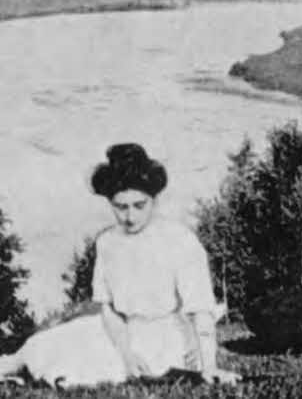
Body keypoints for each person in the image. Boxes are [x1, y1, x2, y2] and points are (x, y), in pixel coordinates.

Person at [90, 143, 240, 385]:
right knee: (60, 347)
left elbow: (201, 307)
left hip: (172, 338)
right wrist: (126, 353)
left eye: (139, 205)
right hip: (123, 337)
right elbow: (109, 309)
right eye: (121, 207)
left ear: (155, 200)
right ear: (110, 203)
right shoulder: (107, 243)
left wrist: (210, 365)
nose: (130, 217)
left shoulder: (179, 238)